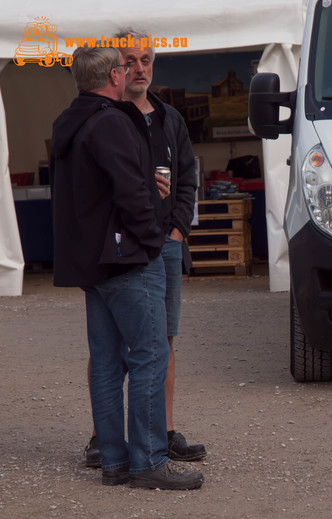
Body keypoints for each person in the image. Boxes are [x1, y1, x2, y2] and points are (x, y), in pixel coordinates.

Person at [51, 45, 204, 490]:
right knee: (150, 357)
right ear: (114, 76)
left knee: (105, 362)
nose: (131, 72)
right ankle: (149, 461)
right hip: (127, 258)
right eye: (125, 66)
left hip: (92, 263)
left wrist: (142, 189)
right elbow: (128, 194)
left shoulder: (71, 122)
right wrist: (155, 234)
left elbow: (94, 191)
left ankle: (115, 460)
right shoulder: (112, 121)